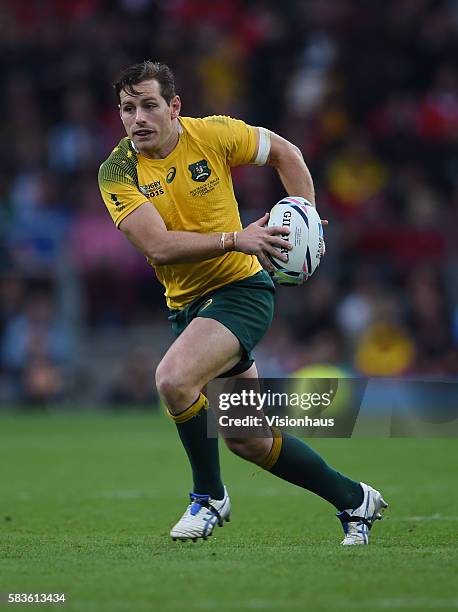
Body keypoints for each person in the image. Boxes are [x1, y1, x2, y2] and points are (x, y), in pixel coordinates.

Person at [98, 60, 387, 546]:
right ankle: (355, 500)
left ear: (174, 107)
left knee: (172, 379)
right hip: (188, 306)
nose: (138, 118)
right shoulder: (118, 170)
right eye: (128, 109)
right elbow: (158, 246)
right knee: (247, 438)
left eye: (149, 105)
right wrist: (236, 237)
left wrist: (307, 218)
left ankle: (208, 496)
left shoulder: (214, 135)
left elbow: (286, 153)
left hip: (240, 293)